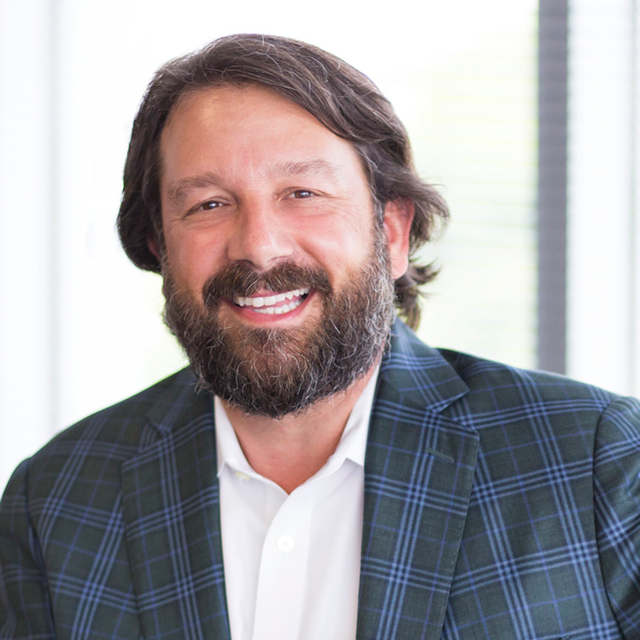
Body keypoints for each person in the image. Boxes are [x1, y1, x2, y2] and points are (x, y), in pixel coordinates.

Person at [1, 33, 639, 640]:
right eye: (209, 205)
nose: (259, 246)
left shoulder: (598, 462)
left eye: (302, 192)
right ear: (160, 247)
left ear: (390, 232)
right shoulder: (56, 500)